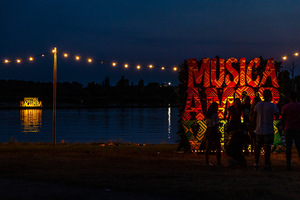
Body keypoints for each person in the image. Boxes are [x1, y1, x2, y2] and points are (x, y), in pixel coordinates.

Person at [253, 90, 279, 170]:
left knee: (257, 147)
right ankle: (267, 164)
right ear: (270, 96)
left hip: (259, 129)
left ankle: (256, 163)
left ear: (263, 96)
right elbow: (277, 116)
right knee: (267, 148)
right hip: (268, 129)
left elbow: (254, 116)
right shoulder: (273, 106)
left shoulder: (258, 105)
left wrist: (254, 126)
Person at [281, 92, 300, 171]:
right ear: (296, 98)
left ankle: (288, 165)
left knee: (288, 148)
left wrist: (283, 126)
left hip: (288, 128)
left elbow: (282, 118)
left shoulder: (286, 107)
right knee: (299, 147)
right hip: (298, 128)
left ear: (290, 98)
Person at [226, 98, 247, 167]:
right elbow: (229, 116)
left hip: (238, 124)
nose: (237, 103)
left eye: (238, 102)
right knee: (234, 137)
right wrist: (228, 122)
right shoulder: (232, 108)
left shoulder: (240, 108)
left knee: (238, 138)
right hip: (234, 124)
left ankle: (237, 152)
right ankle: (236, 153)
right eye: (236, 102)